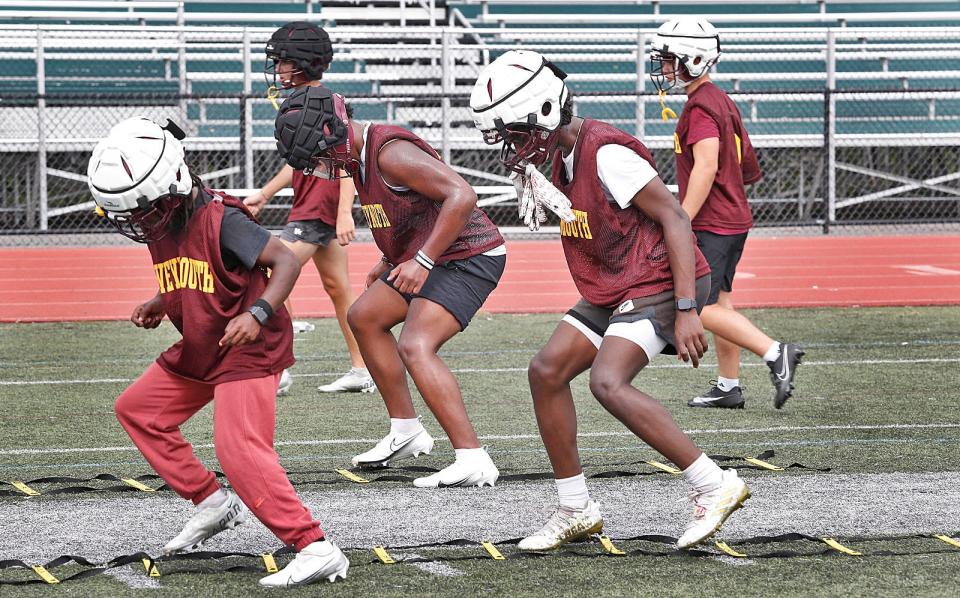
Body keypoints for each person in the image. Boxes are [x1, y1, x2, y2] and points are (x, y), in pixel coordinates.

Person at [471, 50, 751, 550]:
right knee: (546, 371)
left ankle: (715, 484)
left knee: (608, 381)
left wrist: (687, 310)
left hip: (660, 280)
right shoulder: (557, 153)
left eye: (514, 132)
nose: (511, 146)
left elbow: (676, 219)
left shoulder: (605, 153)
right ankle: (575, 508)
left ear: (544, 115)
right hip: (617, 283)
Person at [88, 116, 347, 587]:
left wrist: (260, 313)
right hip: (205, 342)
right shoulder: (163, 216)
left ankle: (315, 545)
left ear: (168, 188)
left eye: (139, 209)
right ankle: (212, 501)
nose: (135, 221)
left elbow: (285, 259)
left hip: (250, 346)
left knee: (238, 449)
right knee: (138, 410)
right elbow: (194, 271)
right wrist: (160, 300)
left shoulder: (221, 218)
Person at [274, 85, 507, 487]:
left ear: (336, 131)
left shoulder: (390, 152)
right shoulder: (358, 155)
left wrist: (421, 260)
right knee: (363, 316)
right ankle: (406, 431)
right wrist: (388, 259)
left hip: (468, 256)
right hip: (431, 256)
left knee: (416, 346)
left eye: (320, 155)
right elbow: (409, 212)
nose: (322, 168)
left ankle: (473, 457)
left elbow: (461, 195)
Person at [650, 16, 804, 409]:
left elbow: (705, 164)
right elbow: (746, 165)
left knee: (697, 305)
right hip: (732, 216)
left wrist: (680, 219)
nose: (664, 68)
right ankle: (728, 385)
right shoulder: (719, 100)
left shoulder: (701, 107)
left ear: (694, 59)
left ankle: (774, 352)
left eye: (670, 60)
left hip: (713, 221)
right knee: (722, 303)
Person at [245, 21, 375, 396]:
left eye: (284, 61)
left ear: (301, 63)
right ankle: (362, 368)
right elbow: (298, 162)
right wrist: (265, 194)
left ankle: (276, 368)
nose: (279, 69)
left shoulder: (324, 104)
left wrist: (344, 212)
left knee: (267, 280)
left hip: (318, 210)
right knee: (338, 289)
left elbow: (347, 158)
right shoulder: (307, 101)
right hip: (311, 208)